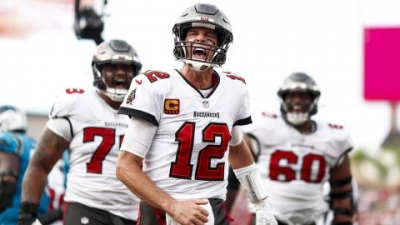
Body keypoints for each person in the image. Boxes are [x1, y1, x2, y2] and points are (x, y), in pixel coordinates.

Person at [116, 3, 277, 225]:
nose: (200, 39)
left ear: (221, 44)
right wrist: (173, 205)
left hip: (213, 210)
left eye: (209, 35)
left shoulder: (234, 89)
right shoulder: (156, 86)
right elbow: (125, 166)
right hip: (162, 210)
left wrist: (261, 204)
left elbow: (238, 150)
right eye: (193, 33)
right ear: (182, 39)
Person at [18, 39, 143, 225]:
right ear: (98, 71)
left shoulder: (146, 109)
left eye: (126, 68)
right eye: (112, 67)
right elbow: (40, 164)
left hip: (134, 212)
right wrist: (27, 214)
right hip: (86, 205)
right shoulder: (76, 105)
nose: (120, 73)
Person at [242, 72, 354, 225]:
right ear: (282, 99)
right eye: (291, 96)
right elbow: (234, 174)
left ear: (314, 100)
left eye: (303, 97)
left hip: (311, 221)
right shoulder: (263, 128)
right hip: (266, 220)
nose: (297, 102)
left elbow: (342, 193)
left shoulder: (333, 137)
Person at [0, 105, 49, 224]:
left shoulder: (8, 140)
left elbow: (7, 184)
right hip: (37, 214)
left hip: (11, 214)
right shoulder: (34, 143)